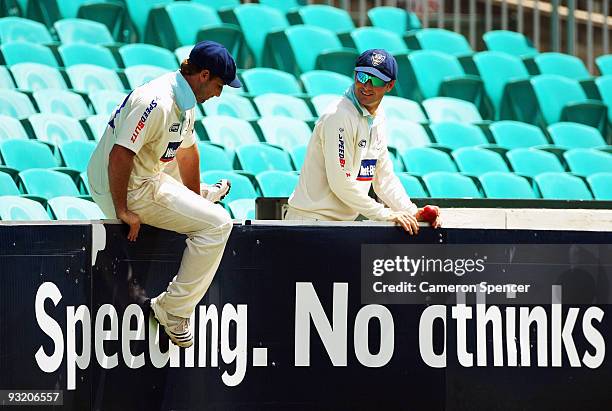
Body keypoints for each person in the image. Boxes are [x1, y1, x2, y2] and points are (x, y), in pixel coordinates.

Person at [87, 41, 241, 348]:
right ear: (204, 75)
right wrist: (123, 210)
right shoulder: (156, 101)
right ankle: (173, 310)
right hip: (124, 185)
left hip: (146, 175)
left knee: (174, 170)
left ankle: (201, 196)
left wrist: (195, 199)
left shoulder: (183, 101)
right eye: (220, 85)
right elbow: (119, 156)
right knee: (218, 225)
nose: (219, 93)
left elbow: (187, 153)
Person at [284, 48, 441, 233]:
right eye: (362, 77)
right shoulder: (338, 116)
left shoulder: (378, 117)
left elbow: (383, 177)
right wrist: (385, 214)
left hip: (336, 226)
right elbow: (340, 184)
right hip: (309, 223)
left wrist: (411, 212)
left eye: (375, 80)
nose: (366, 86)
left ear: (389, 86)